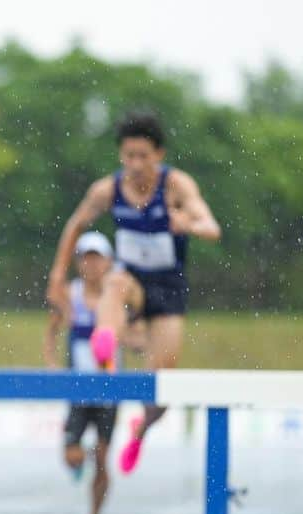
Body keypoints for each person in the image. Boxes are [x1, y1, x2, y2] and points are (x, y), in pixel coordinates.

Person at [46, 111, 220, 476]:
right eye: (128, 156)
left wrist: (188, 223)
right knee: (115, 282)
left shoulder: (176, 186)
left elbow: (211, 227)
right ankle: (106, 342)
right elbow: (75, 225)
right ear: (120, 155)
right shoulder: (108, 190)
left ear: (159, 154)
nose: (135, 164)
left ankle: (140, 431)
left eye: (143, 156)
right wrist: (59, 275)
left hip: (168, 289)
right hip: (132, 282)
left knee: (159, 390)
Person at [43, 231, 124, 514]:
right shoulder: (71, 296)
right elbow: (52, 331)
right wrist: (51, 364)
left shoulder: (116, 297)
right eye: (85, 258)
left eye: (97, 258)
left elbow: (130, 333)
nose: (91, 265)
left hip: (109, 392)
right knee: (71, 455)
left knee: (103, 459)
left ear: (108, 262)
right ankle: (81, 458)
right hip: (78, 390)